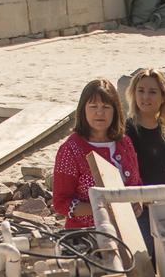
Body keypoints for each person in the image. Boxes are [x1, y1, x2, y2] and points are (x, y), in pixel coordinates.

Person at [52, 78, 142, 231]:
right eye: (93, 106)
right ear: (83, 109)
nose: (100, 112)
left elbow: (136, 184)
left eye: (106, 107)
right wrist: (103, 208)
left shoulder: (124, 143)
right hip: (86, 235)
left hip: (128, 232)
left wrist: (138, 203)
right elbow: (61, 203)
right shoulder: (70, 150)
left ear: (115, 110)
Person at [125, 67, 165, 259]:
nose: (145, 97)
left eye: (152, 92)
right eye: (140, 91)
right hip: (142, 212)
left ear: (163, 97)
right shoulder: (128, 129)